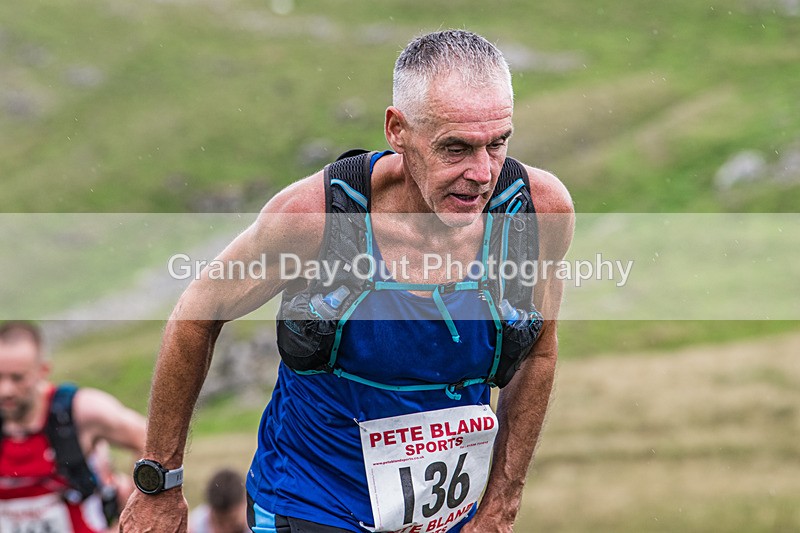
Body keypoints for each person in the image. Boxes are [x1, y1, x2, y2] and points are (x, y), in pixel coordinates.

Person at [120, 29, 574, 533]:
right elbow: (196, 312)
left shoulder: (536, 213)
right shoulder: (315, 218)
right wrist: (158, 484)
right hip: (311, 502)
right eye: (455, 148)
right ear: (397, 130)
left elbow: (539, 352)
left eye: (498, 143)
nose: (482, 172)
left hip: (447, 518)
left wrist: (500, 505)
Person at [0, 321, 147, 532]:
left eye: (18, 378)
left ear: (43, 370)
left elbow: (152, 442)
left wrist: (135, 510)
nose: (6, 390)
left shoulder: (79, 412)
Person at [189, 468, 249, 533]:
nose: (227, 530)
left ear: (245, 502)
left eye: (232, 522)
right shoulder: (194, 526)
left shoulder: (259, 525)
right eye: (220, 523)